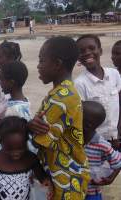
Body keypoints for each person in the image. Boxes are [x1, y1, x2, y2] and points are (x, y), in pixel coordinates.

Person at [28, 36, 90, 199]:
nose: (38, 66)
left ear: (57, 64)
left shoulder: (60, 99)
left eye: (42, 61)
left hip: (65, 182)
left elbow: (37, 140)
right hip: (68, 176)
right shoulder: (65, 91)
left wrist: (28, 126)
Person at [0, 116, 53, 200]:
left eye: (21, 148)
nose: (16, 153)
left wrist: (47, 182)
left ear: (26, 140)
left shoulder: (30, 159)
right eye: (9, 149)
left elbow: (43, 178)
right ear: (0, 142)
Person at [75, 34, 121, 147]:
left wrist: (117, 135)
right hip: (96, 143)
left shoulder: (114, 74)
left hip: (117, 138)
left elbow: (118, 104)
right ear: (78, 57)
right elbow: (82, 119)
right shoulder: (79, 83)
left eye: (92, 48)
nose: (87, 52)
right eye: (82, 51)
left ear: (100, 51)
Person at [83, 101, 121, 200]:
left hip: (91, 193)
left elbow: (118, 161)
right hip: (72, 191)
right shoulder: (73, 139)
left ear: (87, 125)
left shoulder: (102, 145)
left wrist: (111, 177)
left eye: (78, 115)